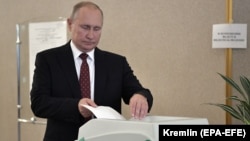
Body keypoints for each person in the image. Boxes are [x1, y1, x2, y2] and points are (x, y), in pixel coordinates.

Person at [30, 1, 153, 141]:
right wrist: (76, 106)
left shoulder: (116, 63)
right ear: (70, 24)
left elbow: (140, 92)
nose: (91, 35)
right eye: (85, 27)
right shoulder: (48, 59)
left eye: (96, 29)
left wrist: (140, 96)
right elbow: (39, 103)